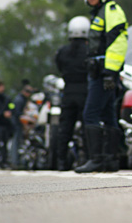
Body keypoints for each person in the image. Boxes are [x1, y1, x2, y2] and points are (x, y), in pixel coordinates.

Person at [74, 0, 128, 173]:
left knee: (90, 114)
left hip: (104, 75)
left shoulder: (111, 10)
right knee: (108, 115)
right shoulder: (100, 13)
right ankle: (110, 160)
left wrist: (109, 73)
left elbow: (119, 42)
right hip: (100, 73)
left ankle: (96, 159)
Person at [55, 16, 90, 171]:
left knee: (65, 127)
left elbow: (59, 66)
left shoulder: (62, 51)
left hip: (68, 91)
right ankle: (88, 158)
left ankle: (61, 161)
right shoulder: (89, 50)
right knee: (86, 126)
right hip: (85, 91)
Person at [10, 79, 35, 168]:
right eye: (28, 91)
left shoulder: (22, 99)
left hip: (17, 124)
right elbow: (17, 114)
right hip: (16, 124)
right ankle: (15, 162)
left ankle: (16, 161)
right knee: (16, 143)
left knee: (18, 143)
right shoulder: (19, 100)